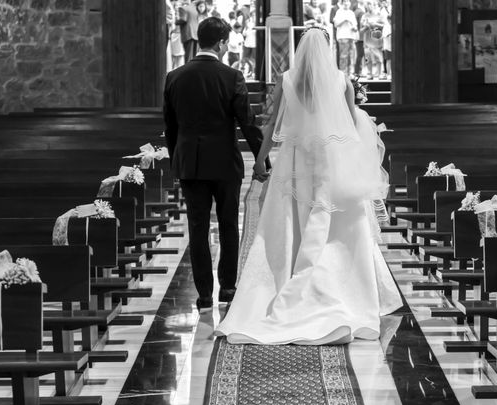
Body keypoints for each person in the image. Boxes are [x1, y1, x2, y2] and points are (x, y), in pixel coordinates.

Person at [216, 27, 402, 345]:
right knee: (337, 227)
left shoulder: (288, 79)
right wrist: (360, 164)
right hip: (331, 159)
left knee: (290, 224)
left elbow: (272, 124)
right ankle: (340, 289)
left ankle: (288, 280)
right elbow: (352, 125)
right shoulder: (341, 80)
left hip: (295, 159)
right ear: (327, 49)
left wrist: (261, 160)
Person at [163, 17, 267, 312]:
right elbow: (247, 123)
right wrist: (262, 160)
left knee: (196, 227)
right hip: (224, 162)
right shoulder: (231, 77)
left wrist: (177, 162)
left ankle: (204, 295)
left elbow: (170, 127)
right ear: (221, 43)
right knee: (228, 225)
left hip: (190, 163)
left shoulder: (175, 77)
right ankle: (228, 288)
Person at [360, 0, 385, 79]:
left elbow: (384, 26)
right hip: (367, 39)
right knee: (368, 58)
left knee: (378, 57)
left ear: (375, 5)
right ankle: (369, 73)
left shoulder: (380, 15)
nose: (369, 6)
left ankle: (380, 73)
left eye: (371, 4)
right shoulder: (364, 16)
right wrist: (366, 26)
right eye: (368, 4)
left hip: (377, 39)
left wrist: (375, 24)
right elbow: (361, 30)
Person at [333, 0, 357, 76]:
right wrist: (344, 20)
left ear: (350, 3)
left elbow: (355, 25)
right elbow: (336, 24)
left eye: (348, 1)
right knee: (343, 55)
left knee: (351, 55)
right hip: (342, 36)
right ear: (342, 3)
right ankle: (343, 72)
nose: (346, 3)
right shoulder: (339, 12)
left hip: (351, 36)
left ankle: (350, 72)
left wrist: (354, 28)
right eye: (344, 1)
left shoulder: (351, 13)